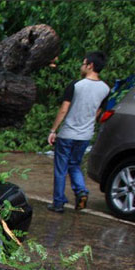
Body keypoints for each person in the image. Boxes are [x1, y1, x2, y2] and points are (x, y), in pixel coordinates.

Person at [47, 51, 110, 213]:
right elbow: (98, 112)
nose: (81, 67)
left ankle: (58, 202)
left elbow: (63, 110)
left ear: (90, 65)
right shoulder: (105, 89)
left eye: (83, 64)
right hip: (85, 136)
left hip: (68, 133)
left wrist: (53, 130)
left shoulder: (76, 86)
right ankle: (81, 191)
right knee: (75, 165)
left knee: (61, 168)